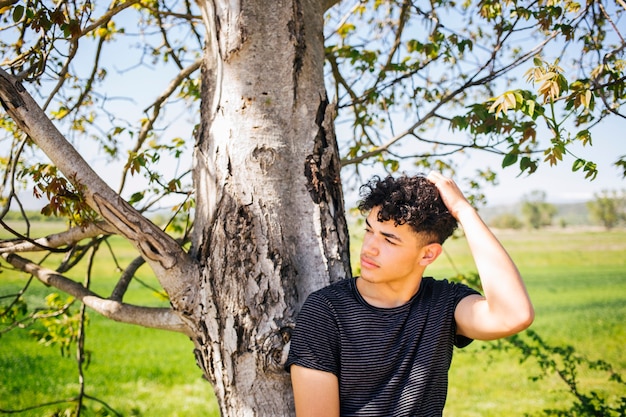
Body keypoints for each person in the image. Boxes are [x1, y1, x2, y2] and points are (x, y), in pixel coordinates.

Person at [285, 171, 534, 417]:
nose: (370, 248)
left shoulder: (445, 302)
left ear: (428, 255)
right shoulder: (325, 311)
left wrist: (464, 212)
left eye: (389, 240)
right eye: (370, 230)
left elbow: (513, 315)